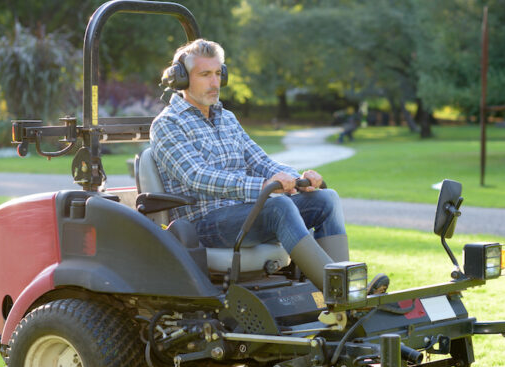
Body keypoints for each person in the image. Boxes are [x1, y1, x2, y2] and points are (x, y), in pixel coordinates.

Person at [149, 39, 387, 294]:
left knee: (325, 199)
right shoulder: (167, 125)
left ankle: (342, 285)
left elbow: (260, 161)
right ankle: (343, 293)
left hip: (245, 215)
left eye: (218, 73)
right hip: (204, 225)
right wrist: (262, 188)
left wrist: (299, 180)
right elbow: (196, 176)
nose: (215, 83)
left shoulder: (226, 118)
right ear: (182, 80)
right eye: (205, 75)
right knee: (278, 206)